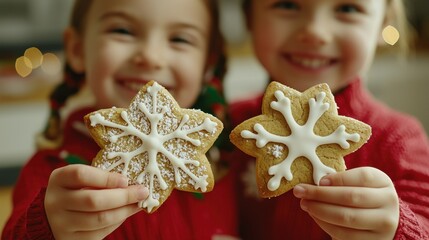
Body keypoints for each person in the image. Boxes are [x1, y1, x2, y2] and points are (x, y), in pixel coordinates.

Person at [2, 0, 239, 239]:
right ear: (77, 49)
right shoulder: (56, 170)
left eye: (180, 39)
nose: (150, 56)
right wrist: (51, 226)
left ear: (208, 62)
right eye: (122, 31)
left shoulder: (227, 161)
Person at [230, 0, 429, 239]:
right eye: (287, 5)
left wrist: (396, 227)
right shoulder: (226, 127)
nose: (315, 32)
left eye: (347, 9)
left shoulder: (399, 139)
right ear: (249, 16)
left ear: (384, 23)